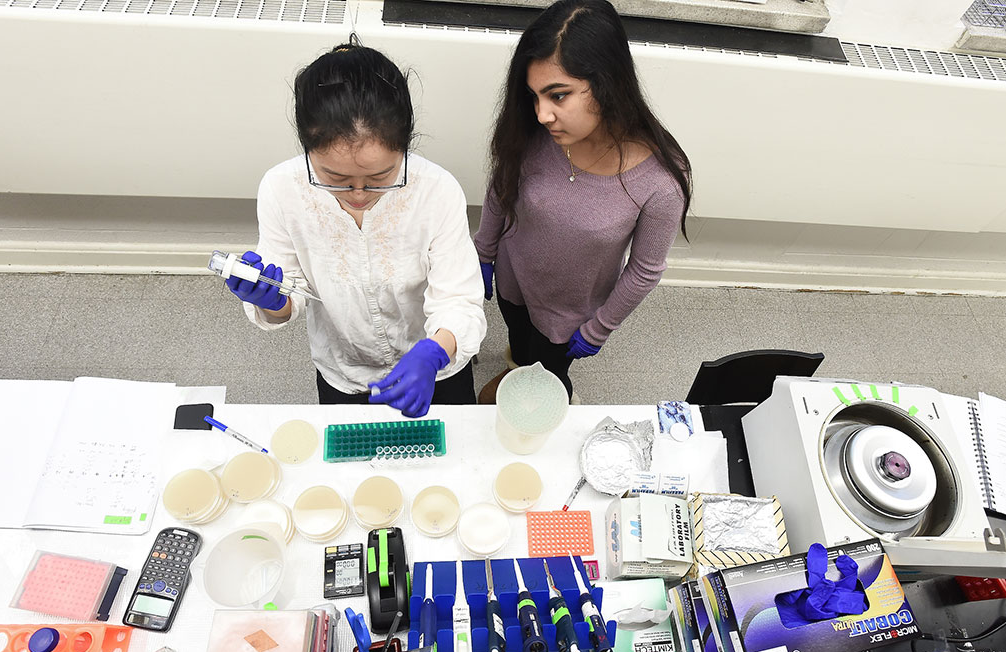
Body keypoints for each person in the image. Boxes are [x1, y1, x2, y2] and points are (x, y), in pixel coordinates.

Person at [227, 39, 486, 418]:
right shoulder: (282, 189)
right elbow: (291, 292)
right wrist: (273, 299)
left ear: (405, 146)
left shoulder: (436, 190)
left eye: (381, 177)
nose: (360, 195)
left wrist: (433, 353)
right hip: (344, 370)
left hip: (434, 362)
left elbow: (459, 300)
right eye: (335, 178)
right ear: (306, 149)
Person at [474, 0, 692, 400]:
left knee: (548, 374)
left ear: (608, 82)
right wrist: (484, 253)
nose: (542, 114)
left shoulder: (660, 181)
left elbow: (644, 270)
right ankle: (516, 363)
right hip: (513, 280)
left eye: (558, 96)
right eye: (534, 96)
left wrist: (600, 327)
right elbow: (500, 187)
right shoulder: (533, 133)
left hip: (568, 314)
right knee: (520, 343)